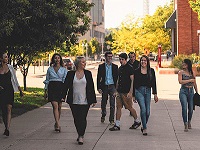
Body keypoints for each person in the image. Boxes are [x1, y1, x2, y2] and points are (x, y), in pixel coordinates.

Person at [62, 56, 96, 145]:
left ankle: (81, 135)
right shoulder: (71, 74)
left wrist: (93, 100)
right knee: (76, 118)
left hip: (85, 100)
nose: (85, 64)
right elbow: (66, 85)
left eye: (85, 62)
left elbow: (91, 87)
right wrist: (63, 96)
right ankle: (79, 133)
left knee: (83, 118)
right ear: (77, 64)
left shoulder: (88, 73)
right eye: (82, 62)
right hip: (73, 100)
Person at [109, 53, 141, 131]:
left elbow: (132, 80)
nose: (121, 61)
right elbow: (118, 80)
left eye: (122, 59)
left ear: (125, 59)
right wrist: (116, 90)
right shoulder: (120, 68)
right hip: (119, 91)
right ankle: (117, 124)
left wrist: (131, 92)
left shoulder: (129, 68)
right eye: (120, 59)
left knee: (129, 107)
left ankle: (137, 120)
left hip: (126, 92)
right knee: (118, 107)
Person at [0, 51, 23, 136]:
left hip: (9, 90)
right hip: (1, 92)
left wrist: (20, 90)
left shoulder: (10, 67)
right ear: (1, 58)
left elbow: (15, 79)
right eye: (5, 57)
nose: (7, 58)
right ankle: (6, 126)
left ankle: (7, 129)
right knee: (3, 110)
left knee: (9, 108)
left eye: (7, 57)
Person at [134, 55, 158, 136]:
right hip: (139, 91)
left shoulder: (151, 71)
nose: (143, 62)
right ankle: (144, 128)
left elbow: (154, 83)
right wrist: (134, 95)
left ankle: (143, 124)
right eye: (142, 60)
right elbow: (134, 84)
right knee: (143, 109)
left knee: (147, 112)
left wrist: (155, 94)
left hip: (147, 91)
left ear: (147, 62)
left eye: (145, 60)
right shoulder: (136, 71)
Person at [43, 53, 68, 132]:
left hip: (60, 87)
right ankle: (57, 124)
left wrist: (65, 91)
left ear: (60, 59)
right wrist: (45, 90)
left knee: (59, 106)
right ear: (53, 59)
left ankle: (56, 122)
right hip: (52, 87)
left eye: (58, 58)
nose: (57, 59)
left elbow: (65, 80)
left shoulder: (64, 69)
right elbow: (47, 80)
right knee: (55, 105)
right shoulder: (50, 69)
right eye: (55, 58)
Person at [97, 51, 118, 125]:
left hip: (112, 86)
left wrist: (116, 89)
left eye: (111, 56)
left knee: (112, 103)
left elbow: (117, 78)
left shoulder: (115, 67)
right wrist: (98, 87)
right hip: (105, 86)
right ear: (105, 57)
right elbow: (98, 77)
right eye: (108, 56)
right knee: (104, 102)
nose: (110, 58)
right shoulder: (101, 67)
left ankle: (111, 119)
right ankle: (103, 113)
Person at [178, 59, 198, 132]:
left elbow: (195, 83)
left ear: (188, 65)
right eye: (183, 63)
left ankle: (189, 121)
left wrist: (197, 92)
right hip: (183, 91)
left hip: (191, 91)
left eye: (185, 64)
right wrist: (190, 80)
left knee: (191, 108)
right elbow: (180, 81)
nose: (183, 64)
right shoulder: (181, 72)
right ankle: (185, 123)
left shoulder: (192, 72)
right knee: (184, 107)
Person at [127, 52, 140, 116]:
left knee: (137, 96)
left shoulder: (138, 63)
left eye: (133, 57)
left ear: (135, 57)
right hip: (129, 82)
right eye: (130, 57)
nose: (132, 58)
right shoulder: (128, 64)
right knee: (130, 97)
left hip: (137, 81)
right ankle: (131, 110)